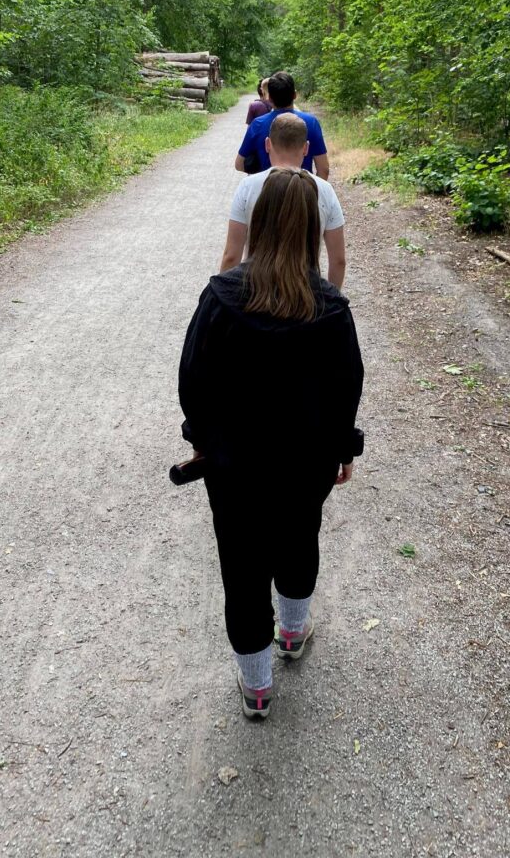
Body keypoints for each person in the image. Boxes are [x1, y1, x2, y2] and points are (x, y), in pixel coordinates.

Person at [178, 169, 364, 720]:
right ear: (312, 229)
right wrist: (343, 450)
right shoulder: (331, 307)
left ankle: (257, 686)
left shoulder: (221, 296)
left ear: (258, 222)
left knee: (241, 562)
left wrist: (200, 440)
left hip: (232, 462)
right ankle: (294, 630)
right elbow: (346, 386)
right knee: (299, 538)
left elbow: (193, 377)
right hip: (306, 460)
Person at [221, 112, 346, 287]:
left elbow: (231, 255)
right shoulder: (324, 190)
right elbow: (338, 260)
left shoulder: (247, 186)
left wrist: (225, 295)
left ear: (267, 145)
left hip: (256, 289)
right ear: (306, 148)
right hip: (306, 292)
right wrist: (333, 299)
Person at [235, 71, 330, 179]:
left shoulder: (257, 124)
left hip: (267, 191)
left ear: (269, 98)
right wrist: (313, 192)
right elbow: (324, 169)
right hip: (302, 191)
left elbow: (239, 165)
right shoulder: (311, 122)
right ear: (295, 95)